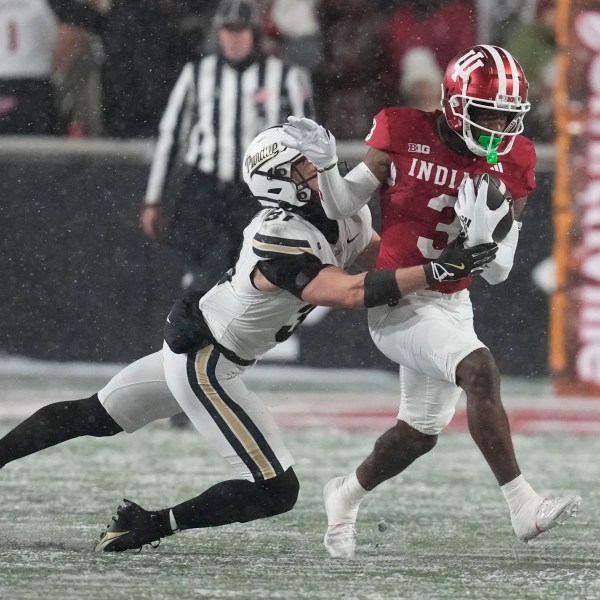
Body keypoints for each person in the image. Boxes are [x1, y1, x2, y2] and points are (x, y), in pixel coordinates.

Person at [0, 125, 496, 552]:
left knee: (94, 415)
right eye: (304, 168)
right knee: (276, 490)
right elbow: (345, 292)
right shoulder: (276, 234)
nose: (318, 174)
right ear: (278, 182)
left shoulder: (341, 213)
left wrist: (444, 252)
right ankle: (149, 523)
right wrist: (433, 269)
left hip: (207, 345)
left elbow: (373, 258)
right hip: (208, 360)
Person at [280, 44, 582, 559]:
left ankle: (344, 494)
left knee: (419, 433)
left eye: (507, 118)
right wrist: (328, 164)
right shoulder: (402, 130)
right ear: (455, 104)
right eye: (486, 114)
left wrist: (485, 235)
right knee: (479, 369)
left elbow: (500, 271)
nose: (496, 131)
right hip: (398, 298)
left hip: (452, 301)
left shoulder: (516, 157)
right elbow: (342, 206)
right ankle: (522, 505)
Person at [141, 0, 315, 291]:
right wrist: (153, 199)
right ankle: (203, 304)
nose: (233, 38)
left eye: (240, 30)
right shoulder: (196, 74)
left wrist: (307, 200)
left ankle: (225, 313)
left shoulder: (284, 77)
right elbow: (170, 135)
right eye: (227, 30)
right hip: (206, 186)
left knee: (254, 267)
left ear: (254, 34)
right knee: (208, 262)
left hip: (258, 190)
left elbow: (308, 141)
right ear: (218, 33)